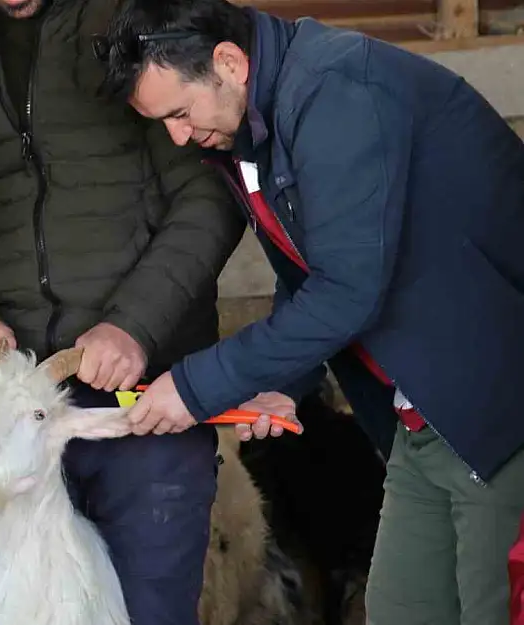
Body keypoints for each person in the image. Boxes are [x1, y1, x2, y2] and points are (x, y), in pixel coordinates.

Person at [97, 0, 524, 623]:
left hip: (496, 407)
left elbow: (347, 289)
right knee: (401, 609)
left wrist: (194, 388)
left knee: (490, 608)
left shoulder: (336, 92)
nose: (177, 137)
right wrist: (281, 388)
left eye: (180, 113)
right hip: (422, 417)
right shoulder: (254, 129)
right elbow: (305, 278)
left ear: (229, 62)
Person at [0, 0, 251, 622]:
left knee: (148, 609)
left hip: (141, 405)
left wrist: (133, 324)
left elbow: (207, 198)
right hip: (12, 412)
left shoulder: (136, 22)